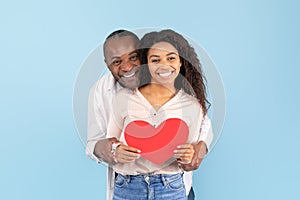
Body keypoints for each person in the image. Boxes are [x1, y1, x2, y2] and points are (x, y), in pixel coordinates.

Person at [86, 29, 213, 200]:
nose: (127, 67)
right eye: (116, 61)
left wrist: (199, 149)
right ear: (107, 63)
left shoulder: (175, 84)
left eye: (133, 57)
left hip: (173, 186)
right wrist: (111, 149)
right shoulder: (102, 92)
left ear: (143, 54)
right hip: (128, 186)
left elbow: (203, 125)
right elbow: (93, 143)